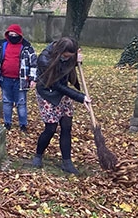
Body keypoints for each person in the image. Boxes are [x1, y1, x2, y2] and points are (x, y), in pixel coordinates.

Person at [31, 37, 91, 174]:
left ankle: (67, 162)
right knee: (51, 128)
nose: (67, 58)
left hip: (63, 92)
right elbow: (56, 84)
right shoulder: (44, 60)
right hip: (48, 93)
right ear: (59, 52)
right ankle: (38, 155)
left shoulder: (68, 55)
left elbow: (66, 68)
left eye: (69, 56)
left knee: (66, 126)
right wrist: (80, 97)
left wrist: (76, 60)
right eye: (65, 56)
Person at [0, 24, 37, 131]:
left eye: (15, 34)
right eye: (11, 34)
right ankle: (7, 123)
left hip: (21, 80)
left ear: (19, 35)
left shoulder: (27, 48)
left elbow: (34, 64)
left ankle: (23, 124)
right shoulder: (2, 46)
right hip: (5, 79)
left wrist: (33, 79)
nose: (13, 36)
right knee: (6, 102)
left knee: (21, 103)